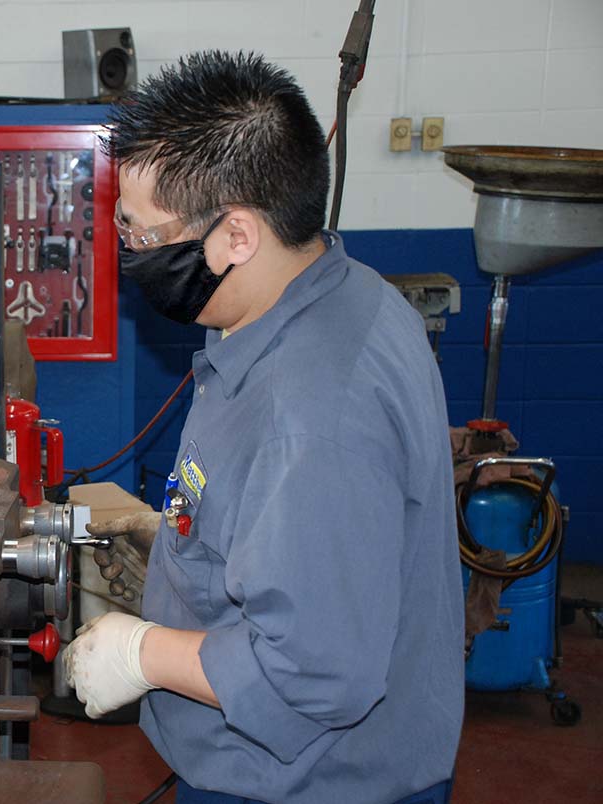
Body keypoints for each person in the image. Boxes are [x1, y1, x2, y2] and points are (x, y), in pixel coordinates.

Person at [62, 51, 464, 804]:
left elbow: (316, 672)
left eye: (144, 237)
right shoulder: (335, 295)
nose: (131, 256)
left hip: (307, 782)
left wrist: (143, 653)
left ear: (236, 236)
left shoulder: (315, 414)